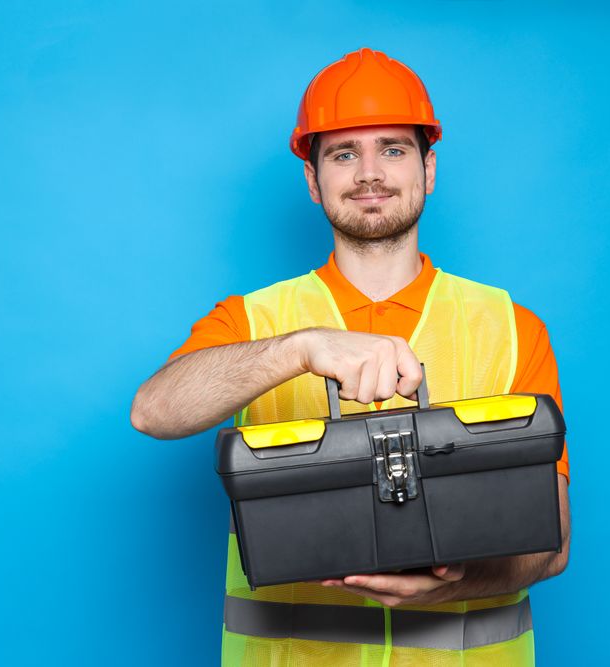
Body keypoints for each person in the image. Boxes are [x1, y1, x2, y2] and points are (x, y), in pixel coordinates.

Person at [131, 47, 570, 666]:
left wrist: (451, 585)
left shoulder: (512, 329)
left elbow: (552, 546)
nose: (369, 173)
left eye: (392, 149)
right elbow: (153, 412)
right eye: (343, 153)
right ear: (313, 181)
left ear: (428, 169)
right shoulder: (255, 322)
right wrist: (302, 348)